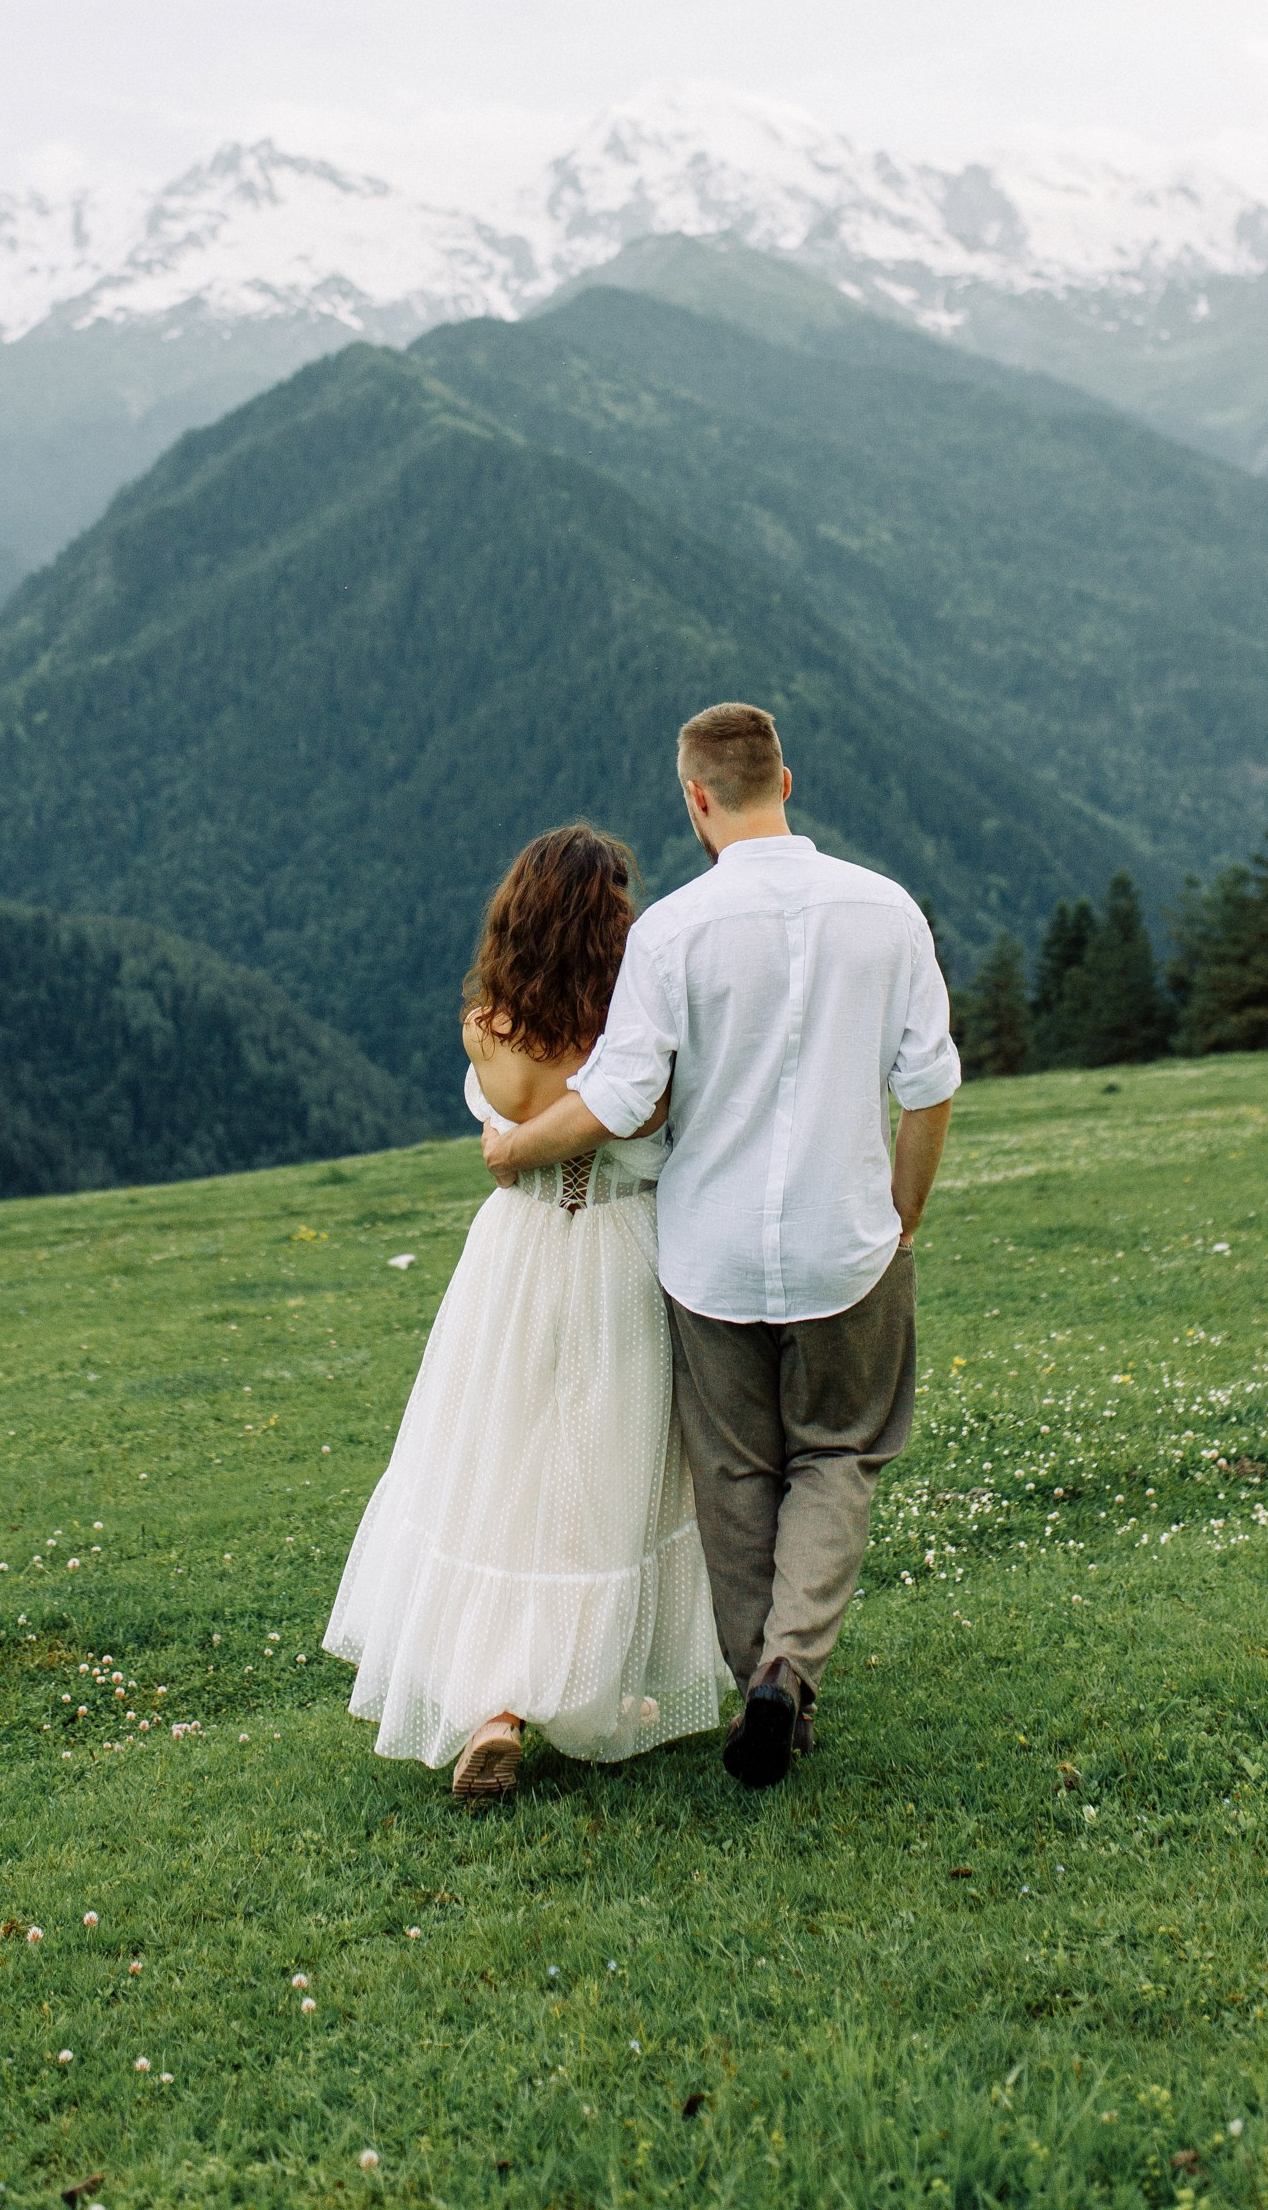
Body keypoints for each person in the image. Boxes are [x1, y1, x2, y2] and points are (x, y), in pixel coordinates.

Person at [481, 703, 957, 1789]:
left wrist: (512, 1146)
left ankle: (759, 1678)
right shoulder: (883, 910)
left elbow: (619, 1096)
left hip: (710, 1257)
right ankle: (786, 1673)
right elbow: (927, 1084)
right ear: (785, 778)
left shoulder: (671, 933)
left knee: (735, 1474)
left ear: (694, 798)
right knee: (837, 1453)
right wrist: (903, 1210)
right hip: (849, 1246)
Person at [324, 823, 724, 1802]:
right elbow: (634, 1120)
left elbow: (509, 1144)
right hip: (621, 1253)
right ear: (607, 920)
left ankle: (492, 1709)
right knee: (611, 1469)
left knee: (493, 1466)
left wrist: (518, 1147)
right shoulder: (629, 1032)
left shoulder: (485, 1029)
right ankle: (597, 1683)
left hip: (511, 1256)